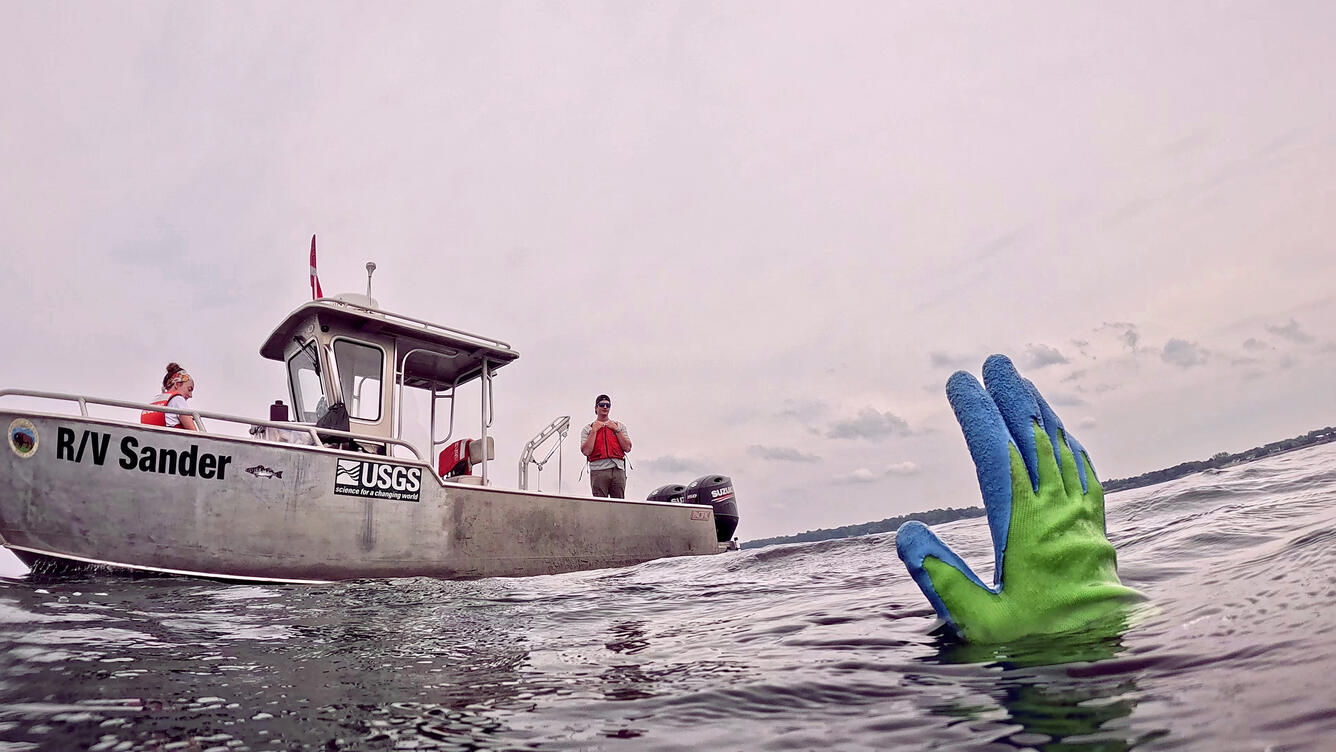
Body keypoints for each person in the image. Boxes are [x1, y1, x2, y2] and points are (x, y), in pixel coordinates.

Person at [580, 393, 632, 498]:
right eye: (602, 404)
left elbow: (628, 447)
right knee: (600, 506)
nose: (605, 407)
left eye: (608, 405)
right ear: (596, 407)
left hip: (618, 470)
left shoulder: (619, 426)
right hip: (598, 471)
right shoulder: (587, 429)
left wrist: (616, 430)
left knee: (619, 505)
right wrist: (594, 431)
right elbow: (586, 451)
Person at [140, 362, 198, 430]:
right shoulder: (178, 399)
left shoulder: (154, 401)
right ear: (177, 385)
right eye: (189, 389)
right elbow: (193, 431)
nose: (190, 395)